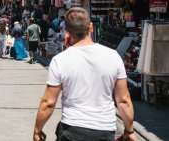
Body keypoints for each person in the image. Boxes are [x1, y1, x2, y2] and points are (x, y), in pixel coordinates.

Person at [33, 8, 136, 141]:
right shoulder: (113, 56)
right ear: (91, 27)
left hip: (72, 130)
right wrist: (129, 130)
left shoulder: (60, 60)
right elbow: (123, 100)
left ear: (67, 32)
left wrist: (37, 130)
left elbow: (49, 102)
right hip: (104, 130)